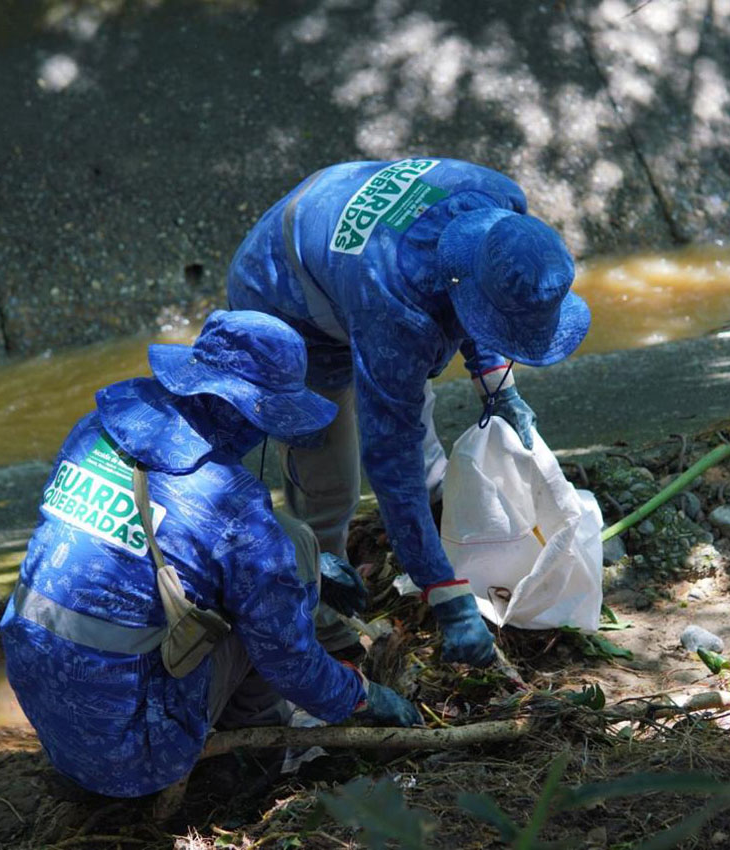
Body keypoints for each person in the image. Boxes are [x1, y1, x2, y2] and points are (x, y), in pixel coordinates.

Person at [0, 310, 422, 799]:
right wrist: (364, 697)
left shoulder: (96, 428)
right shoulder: (233, 507)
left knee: (276, 553)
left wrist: (312, 576)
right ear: (245, 411)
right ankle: (249, 764)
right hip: (132, 754)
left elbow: (166, 543)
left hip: (46, 709)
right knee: (267, 619)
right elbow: (289, 663)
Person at [227, 157, 591, 668]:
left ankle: (433, 531)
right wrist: (444, 595)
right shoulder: (397, 309)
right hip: (285, 293)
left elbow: (477, 298)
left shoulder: (499, 200)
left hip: (344, 236)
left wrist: (497, 385)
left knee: (415, 425)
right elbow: (389, 454)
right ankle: (324, 621)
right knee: (328, 476)